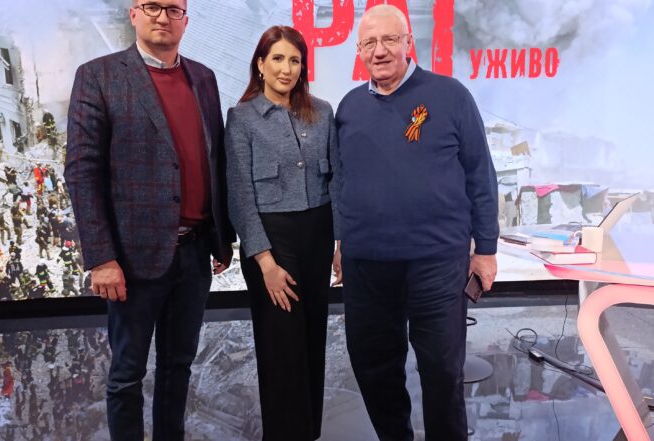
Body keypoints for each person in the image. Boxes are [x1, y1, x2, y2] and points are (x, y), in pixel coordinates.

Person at [64, 1, 235, 439]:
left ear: (186, 20)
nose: (163, 17)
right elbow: (82, 171)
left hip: (194, 253)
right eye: (153, 6)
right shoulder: (99, 75)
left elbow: (214, 159)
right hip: (131, 258)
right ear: (134, 14)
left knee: (178, 366)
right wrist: (101, 258)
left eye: (173, 9)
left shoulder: (204, 78)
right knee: (127, 373)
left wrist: (221, 237)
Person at [332, 5, 499, 441]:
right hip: (367, 264)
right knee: (372, 365)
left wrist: (486, 249)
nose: (380, 50)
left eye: (390, 39)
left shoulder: (451, 96)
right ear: (359, 51)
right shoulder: (349, 107)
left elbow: (480, 175)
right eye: (369, 42)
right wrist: (341, 242)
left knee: (442, 370)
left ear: (408, 42)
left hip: (437, 262)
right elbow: (343, 180)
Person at [225, 25, 337, 441]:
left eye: (294, 60)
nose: (286, 69)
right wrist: (265, 262)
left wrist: (340, 242)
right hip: (273, 241)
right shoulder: (242, 117)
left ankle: (309, 431)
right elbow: (239, 193)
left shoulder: (322, 112)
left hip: (318, 235)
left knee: (312, 337)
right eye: (277, 59)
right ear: (260, 64)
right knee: (281, 346)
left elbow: (337, 181)